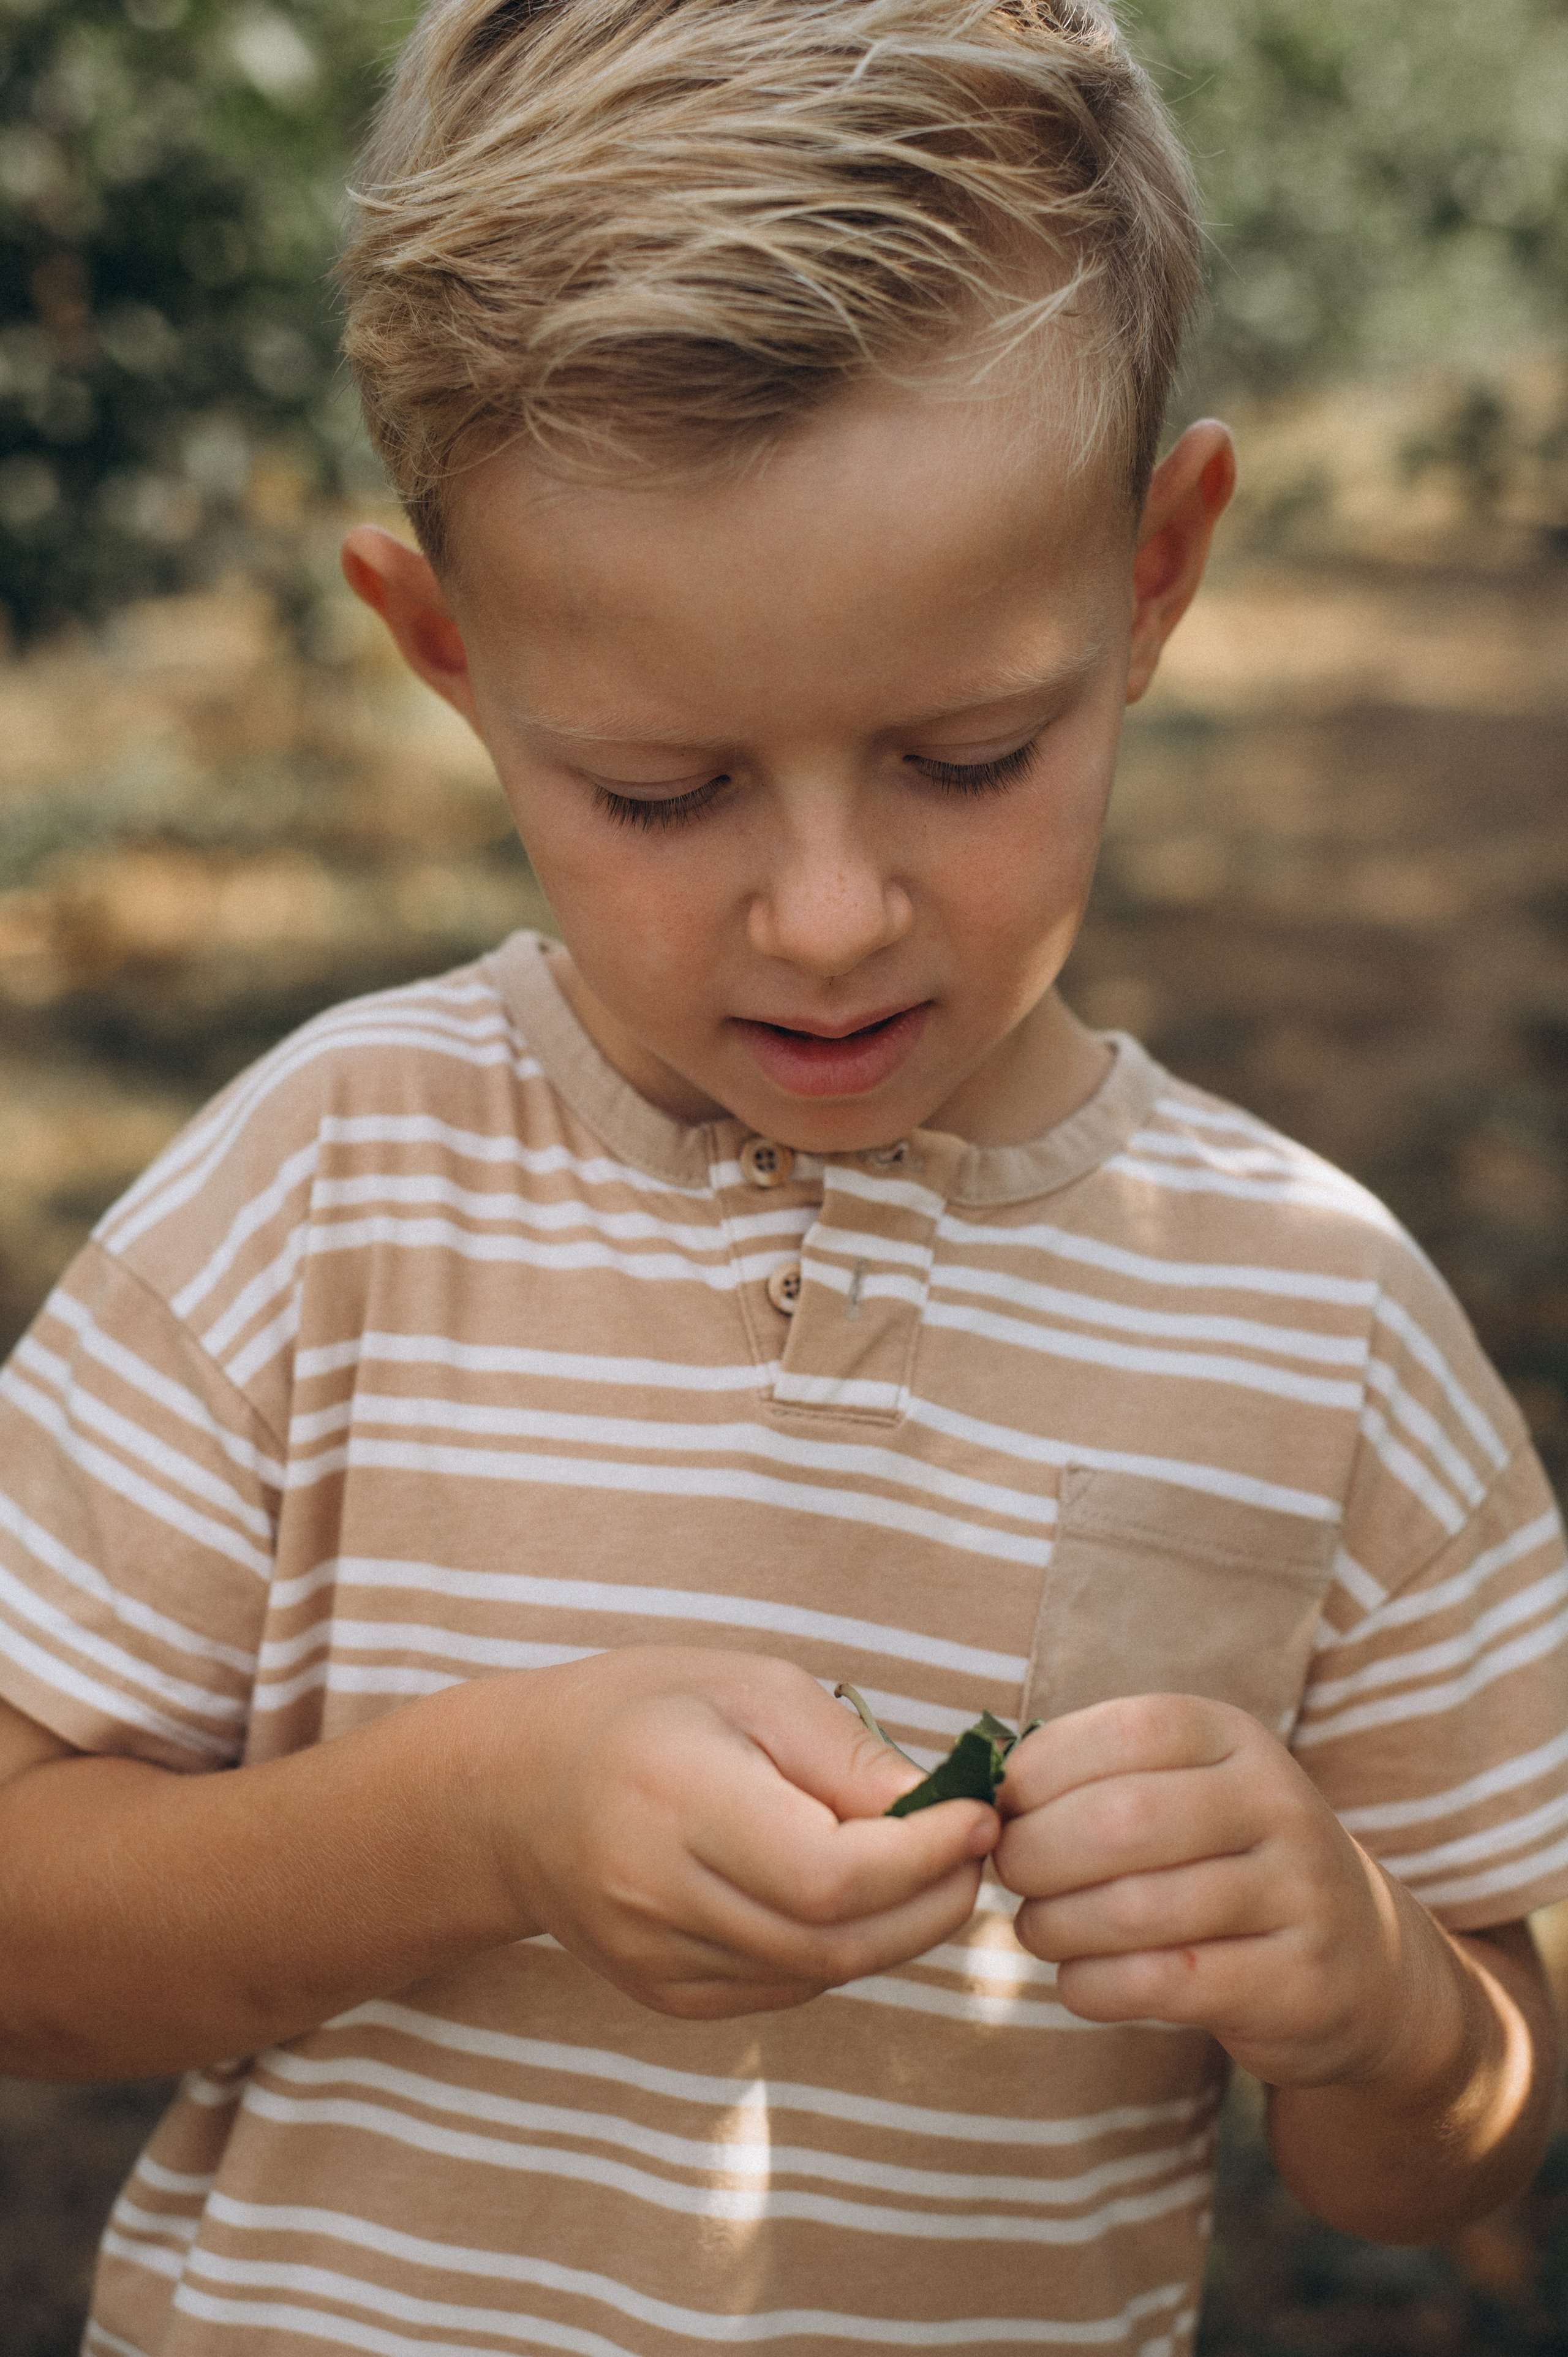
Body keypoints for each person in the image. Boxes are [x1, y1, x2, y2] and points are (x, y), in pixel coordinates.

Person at [0, 3, 1564, 2352]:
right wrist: (477, 1819)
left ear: (1156, 576)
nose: (827, 911)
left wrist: (1372, 1994)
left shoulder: (1311, 1322)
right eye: (660, 791)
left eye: (967, 754)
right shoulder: (330, 1190)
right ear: (446, 650)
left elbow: (1451, 2137)